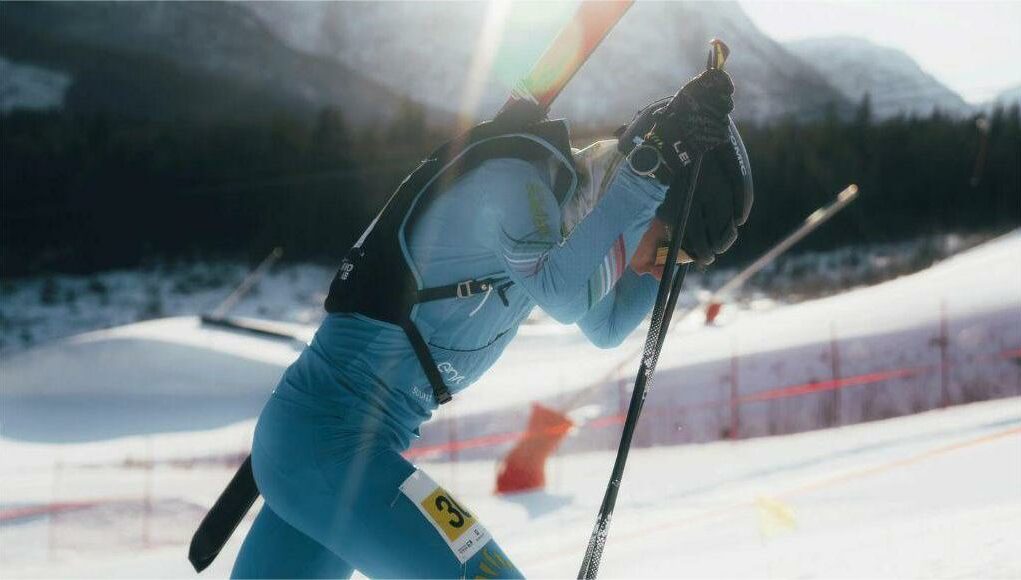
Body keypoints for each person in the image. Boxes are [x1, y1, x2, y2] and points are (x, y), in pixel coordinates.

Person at [231, 68, 751, 579]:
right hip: (327, 445)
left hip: (335, 458)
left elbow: (606, 326)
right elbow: (564, 296)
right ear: (639, 185)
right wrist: (651, 173)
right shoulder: (515, 184)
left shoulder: (564, 225)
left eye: (671, 262)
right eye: (663, 248)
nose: (651, 268)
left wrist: (673, 253)